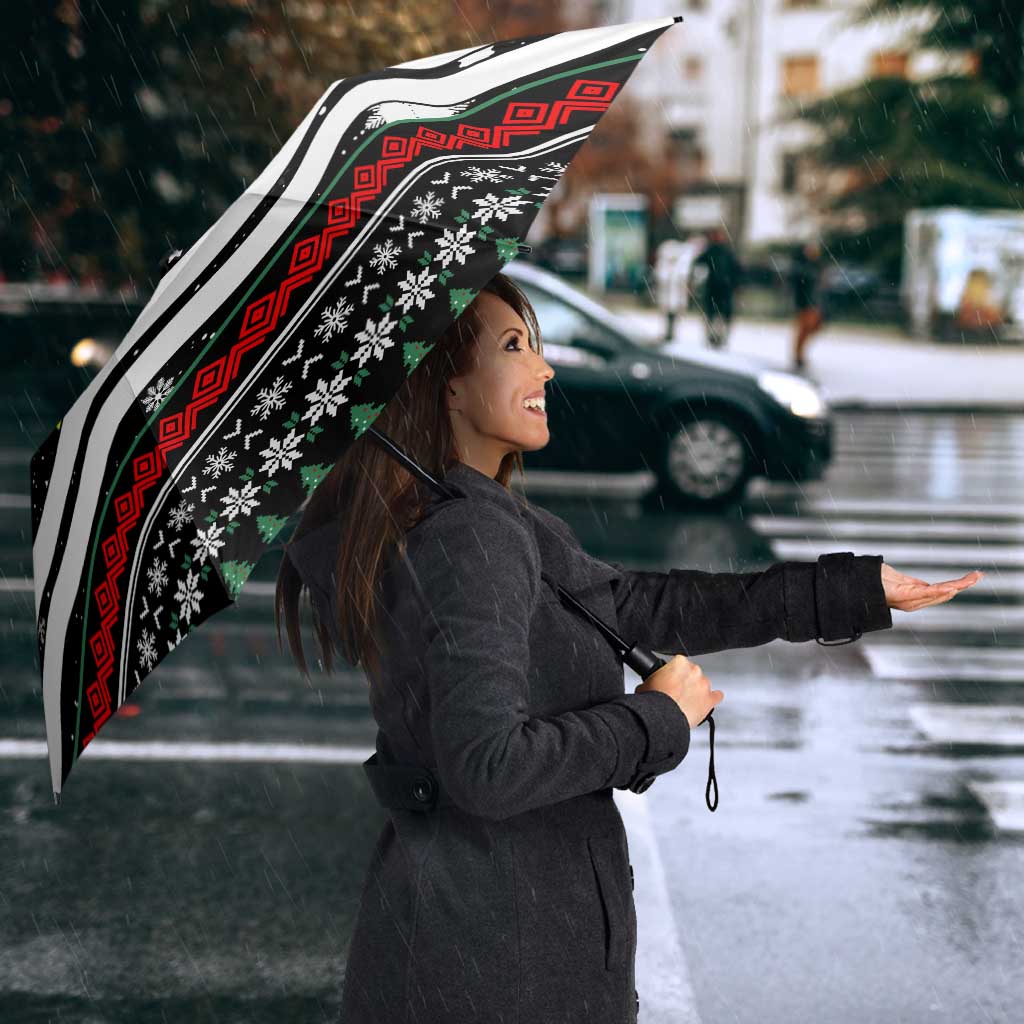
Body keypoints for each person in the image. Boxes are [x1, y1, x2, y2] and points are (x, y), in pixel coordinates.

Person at [275, 271, 972, 1024]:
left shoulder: (473, 517)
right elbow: (488, 767)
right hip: (498, 964)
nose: (544, 368)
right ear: (445, 385)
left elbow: (638, 605)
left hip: (480, 943)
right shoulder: (468, 536)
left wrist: (850, 591)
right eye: (515, 346)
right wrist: (656, 719)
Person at [692, 226, 742, 349]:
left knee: (720, 315)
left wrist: (735, 284)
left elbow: (736, 270)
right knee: (713, 314)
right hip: (715, 288)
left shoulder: (725, 252)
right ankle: (713, 337)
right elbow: (698, 264)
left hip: (723, 288)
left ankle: (719, 337)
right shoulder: (712, 251)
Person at [790, 239, 826, 370]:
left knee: (812, 328)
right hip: (805, 303)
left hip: (814, 303)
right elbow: (799, 286)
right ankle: (798, 355)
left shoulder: (817, 266)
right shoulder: (802, 267)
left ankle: (799, 354)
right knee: (804, 329)